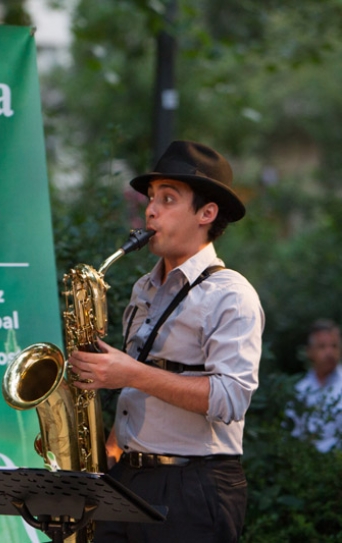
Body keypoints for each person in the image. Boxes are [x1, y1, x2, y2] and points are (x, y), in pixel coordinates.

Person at [69, 141, 264, 542]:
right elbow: (145, 384)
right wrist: (110, 443)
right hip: (129, 478)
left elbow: (231, 398)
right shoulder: (145, 287)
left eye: (168, 198)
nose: (151, 209)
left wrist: (131, 374)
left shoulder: (231, 294)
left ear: (207, 213)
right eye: (151, 198)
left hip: (193, 487)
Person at [289, 319, 342, 453]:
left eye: (334, 346)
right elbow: (291, 435)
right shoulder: (299, 391)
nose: (329, 352)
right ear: (309, 352)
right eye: (322, 347)